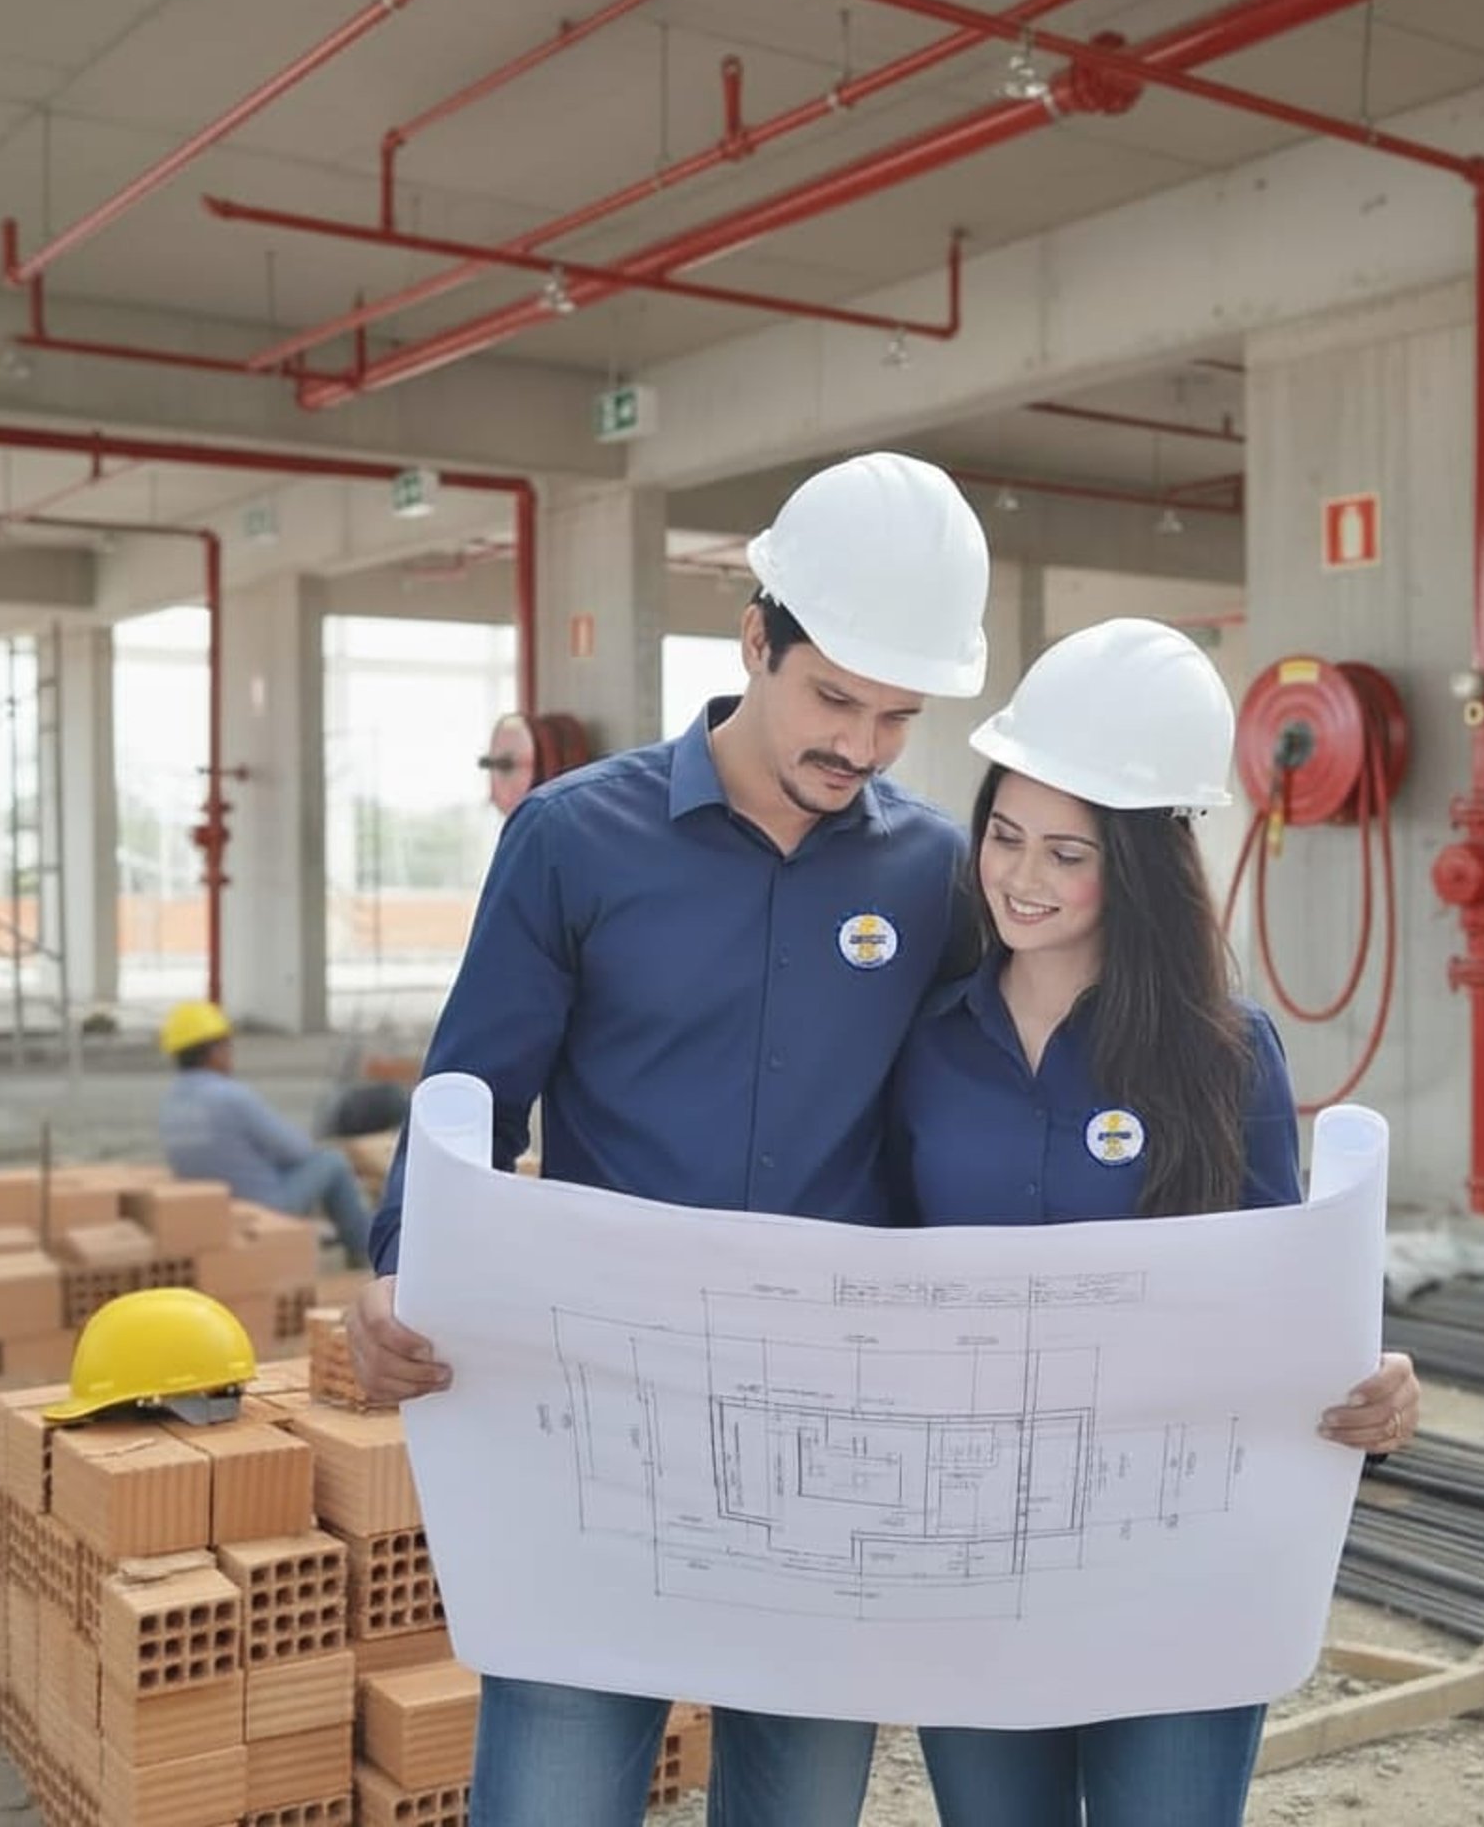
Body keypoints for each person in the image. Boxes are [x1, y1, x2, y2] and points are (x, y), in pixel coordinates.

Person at [349, 451, 994, 1827]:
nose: (863, 746)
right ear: (752, 640)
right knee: (555, 1797)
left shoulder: (936, 873)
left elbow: (1001, 1103)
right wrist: (404, 1263)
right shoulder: (575, 841)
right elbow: (472, 1093)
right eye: (833, 698)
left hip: (834, 1429)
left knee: (801, 1803)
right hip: (601, 1414)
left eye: (898, 716)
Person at [887, 618, 1421, 1827]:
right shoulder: (923, 1050)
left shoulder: (1222, 1055)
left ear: (1130, 865)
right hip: (977, 1556)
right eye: (1004, 837)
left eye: (1066, 854)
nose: (1021, 877)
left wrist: (1374, 1389)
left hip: (1180, 1565)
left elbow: (1293, 1306)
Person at [157, 999, 373, 1266]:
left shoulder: (169, 1104)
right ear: (213, 1051)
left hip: (211, 1211)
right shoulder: (229, 1096)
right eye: (226, 1046)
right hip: (263, 1206)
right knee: (332, 1162)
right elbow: (296, 1150)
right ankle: (362, 1250)